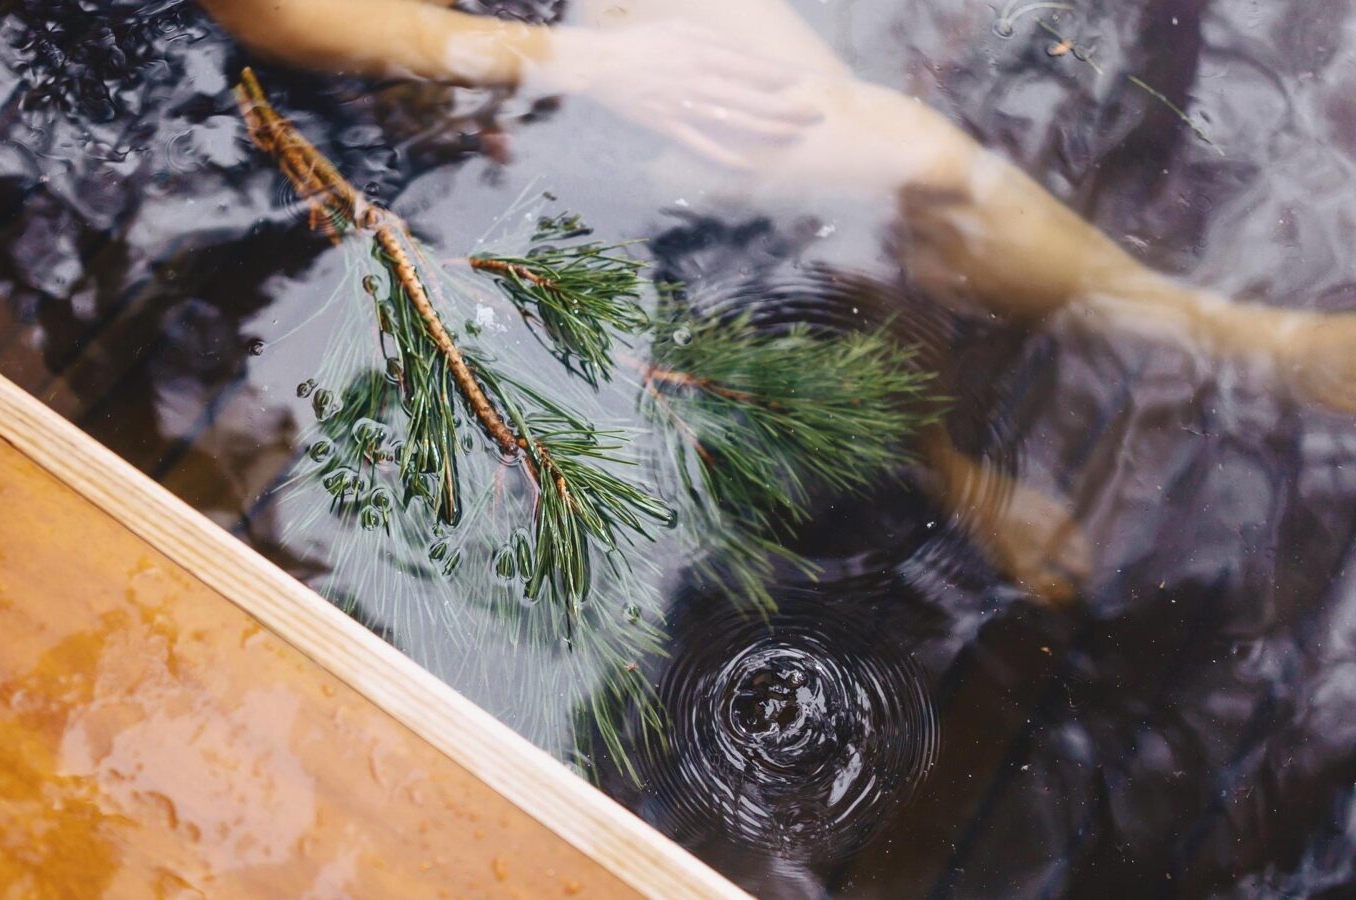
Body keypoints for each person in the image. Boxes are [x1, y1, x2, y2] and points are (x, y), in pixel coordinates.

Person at [195, 0, 1355, 601]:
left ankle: (1205, 338)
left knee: (886, 149)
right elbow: (275, 14)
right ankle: (981, 445)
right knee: (905, 159)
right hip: (465, 62)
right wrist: (572, 67)